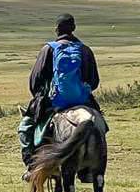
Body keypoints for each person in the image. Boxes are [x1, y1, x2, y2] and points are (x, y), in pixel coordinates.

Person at [18, 13, 101, 167]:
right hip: (83, 101)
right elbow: (94, 81)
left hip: (55, 102)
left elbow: (35, 81)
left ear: (56, 29)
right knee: (100, 126)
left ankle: (31, 165)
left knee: (25, 127)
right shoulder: (85, 50)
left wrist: (40, 98)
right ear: (74, 28)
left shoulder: (48, 49)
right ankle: (94, 163)